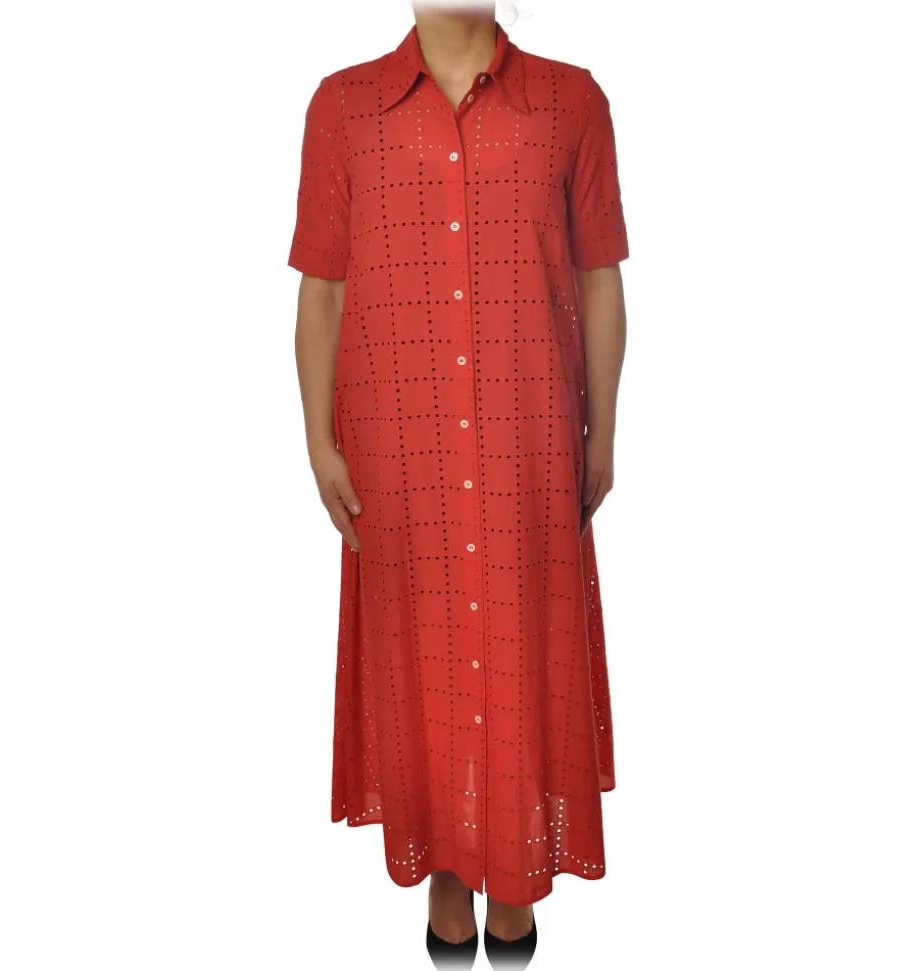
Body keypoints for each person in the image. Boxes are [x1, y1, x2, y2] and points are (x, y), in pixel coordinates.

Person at [288, 1, 628, 966]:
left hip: (529, 448)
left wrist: (602, 433)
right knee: (423, 660)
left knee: (521, 652)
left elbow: (600, 279)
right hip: (400, 458)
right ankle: (445, 878)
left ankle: (513, 894)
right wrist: (317, 440)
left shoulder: (571, 101)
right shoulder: (343, 108)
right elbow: (323, 288)